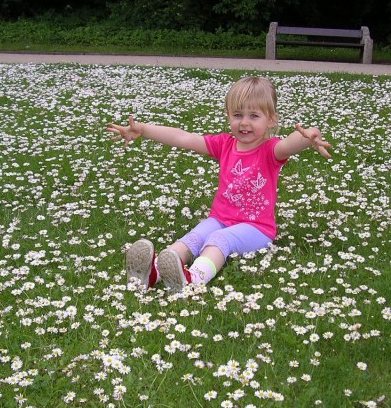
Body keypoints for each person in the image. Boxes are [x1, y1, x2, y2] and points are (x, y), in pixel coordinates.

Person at [107, 76, 332, 293]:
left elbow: (290, 144)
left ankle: (194, 278)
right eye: (237, 115)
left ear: (271, 119)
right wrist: (144, 129)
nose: (244, 122)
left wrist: (308, 137)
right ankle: (153, 271)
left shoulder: (270, 150)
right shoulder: (224, 144)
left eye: (254, 116)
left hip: (256, 228)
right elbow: (184, 138)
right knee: (194, 237)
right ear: (228, 116)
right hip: (220, 219)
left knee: (218, 240)